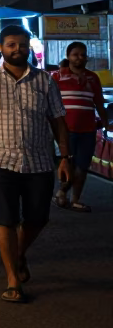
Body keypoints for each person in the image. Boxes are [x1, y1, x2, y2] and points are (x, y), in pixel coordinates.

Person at [0, 24, 70, 303]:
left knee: (38, 218)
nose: (17, 49)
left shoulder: (45, 81)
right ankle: (12, 280)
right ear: (0, 48)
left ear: (28, 48)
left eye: (22, 45)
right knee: (5, 220)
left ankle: (19, 254)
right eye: (10, 44)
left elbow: (58, 119)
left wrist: (65, 157)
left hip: (40, 160)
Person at [51, 41, 105, 212]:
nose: (79, 58)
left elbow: (99, 104)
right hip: (65, 131)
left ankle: (74, 199)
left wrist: (106, 124)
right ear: (68, 57)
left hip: (88, 130)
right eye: (75, 54)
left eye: (83, 54)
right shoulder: (57, 77)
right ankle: (61, 193)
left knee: (82, 167)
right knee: (68, 165)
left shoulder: (93, 78)